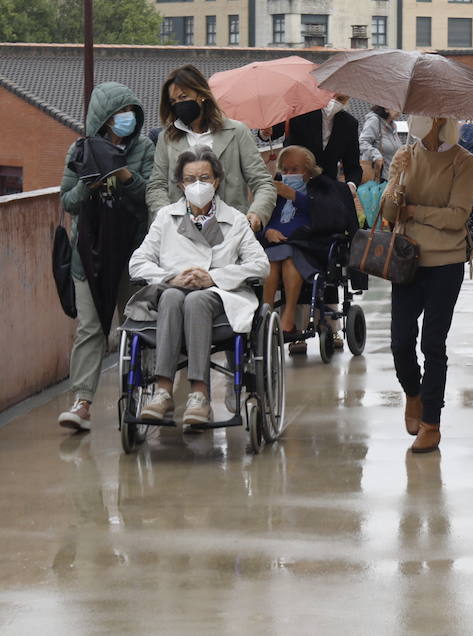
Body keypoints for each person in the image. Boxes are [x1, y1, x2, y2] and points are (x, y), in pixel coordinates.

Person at [129, 150, 269, 428]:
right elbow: (137, 263)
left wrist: (215, 278)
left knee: (198, 300)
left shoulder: (236, 220)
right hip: (172, 299)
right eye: (190, 179)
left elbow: (260, 266)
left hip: (220, 301)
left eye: (204, 177)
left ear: (216, 181)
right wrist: (171, 277)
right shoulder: (166, 217)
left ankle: (199, 395)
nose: (197, 184)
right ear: (180, 184)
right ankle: (163, 392)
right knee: (171, 295)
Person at [57, 82, 154, 432]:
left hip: (132, 252)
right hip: (90, 255)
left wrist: (125, 178)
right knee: (90, 328)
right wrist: (88, 184)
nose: (126, 118)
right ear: (103, 118)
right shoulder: (80, 149)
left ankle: (143, 390)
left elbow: (150, 196)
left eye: (130, 112)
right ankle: (82, 402)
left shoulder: (143, 148)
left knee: (140, 324)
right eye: (118, 114)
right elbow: (67, 201)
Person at [381, 114, 473, 454]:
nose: (415, 118)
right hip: (406, 259)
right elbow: (389, 213)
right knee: (400, 341)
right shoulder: (405, 155)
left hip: (445, 262)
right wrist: (395, 179)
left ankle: (432, 423)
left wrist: (415, 211)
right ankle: (413, 393)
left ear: (438, 119)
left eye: (423, 112)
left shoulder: (463, 161)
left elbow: (457, 216)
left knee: (433, 344)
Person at [146, 65, 275, 232]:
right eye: (173, 101)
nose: (179, 105)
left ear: (201, 95)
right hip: (180, 235)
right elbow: (157, 185)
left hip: (229, 232)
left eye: (183, 97)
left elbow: (263, 182)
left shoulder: (237, 132)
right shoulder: (167, 138)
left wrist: (257, 213)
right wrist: (166, 218)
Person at [260, 144, 359, 354]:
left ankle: (288, 317)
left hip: (309, 246)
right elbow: (261, 219)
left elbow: (331, 217)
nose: (288, 174)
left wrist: (295, 196)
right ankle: (266, 314)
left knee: (288, 256)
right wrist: (268, 231)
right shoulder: (273, 191)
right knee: (269, 260)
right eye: (284, 170)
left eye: (294, 170)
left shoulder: (324, 188)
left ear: (308, 171)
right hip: (274, 245)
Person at [268, 94, 362, 184]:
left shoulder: (349, 124)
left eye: (340, 99)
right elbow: (274, 131)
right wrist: (266, 131)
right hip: (291, 179)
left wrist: (351, 185)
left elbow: (353, 165)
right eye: (329, 96)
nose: (333, 102)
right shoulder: (300, 110)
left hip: (325, 188)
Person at [359, 105, 401, 183]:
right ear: (386, 107)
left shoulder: (393, 126)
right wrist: (376, 155)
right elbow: (362, 142)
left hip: (389, 178)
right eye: (397, 107)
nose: (400, 111)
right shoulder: (374, 121)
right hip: (375, 176)